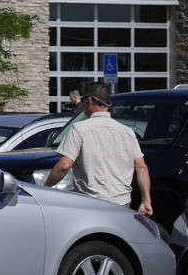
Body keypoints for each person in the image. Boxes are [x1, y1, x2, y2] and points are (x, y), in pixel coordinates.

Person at [44, 82, 152, 217]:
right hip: (122, 203)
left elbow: (64, 166)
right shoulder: (127, 132)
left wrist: (46, 188)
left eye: (83, 100)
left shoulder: (79, 129)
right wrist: (146, 200)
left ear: (90, 100)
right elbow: (141, 167)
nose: (82, 104)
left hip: (90, 203)